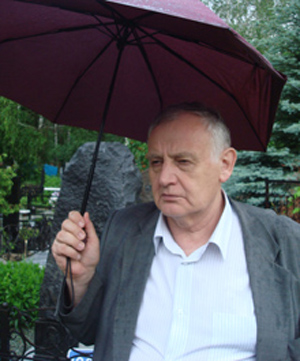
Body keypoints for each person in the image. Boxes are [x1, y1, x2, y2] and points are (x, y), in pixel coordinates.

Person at [52, 102, 300, 361]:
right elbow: (89, 333)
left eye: (183, 161)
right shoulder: (124, 229)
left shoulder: (283, 241)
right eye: (156, 162)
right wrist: (81, 281)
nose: (163, 178)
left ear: (225, 164)